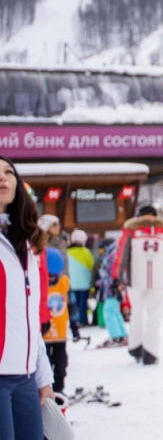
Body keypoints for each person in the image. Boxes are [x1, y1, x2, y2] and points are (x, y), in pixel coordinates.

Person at [0, 157, 54, 438]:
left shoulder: (26, 243)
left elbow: (29, 317)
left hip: (25, 378)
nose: (3, 177)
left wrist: (42, 375)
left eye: (8, 172)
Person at [110, 204, 163, 365]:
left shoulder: (131, 231)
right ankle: (151, 352)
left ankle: (136, 347)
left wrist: (117, 278)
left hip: (136, 279)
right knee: (155, 317)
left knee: (136, 313)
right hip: (158, 281)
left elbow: (122, 255)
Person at [42, 248, 69, 394]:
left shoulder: (64, 283)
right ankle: (46, 389)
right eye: (49, 276)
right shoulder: (39, 285)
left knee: (61, 362)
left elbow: (72, 304)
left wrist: (75, 326)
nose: (51, 279)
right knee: (45, 363)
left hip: (60, 333)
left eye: (54, 276)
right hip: (44, 334)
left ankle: (59, 388)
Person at [93, 238, 127, 346]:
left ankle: (116, 337)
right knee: (114, 311)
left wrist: (114, 285)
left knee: (109, 312)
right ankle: (122, 335)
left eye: (103, 250)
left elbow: (113, 274)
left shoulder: (112, 257)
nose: (101, 253)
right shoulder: (110, 257)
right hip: (112, 288)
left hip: (112, 289)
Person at [65, 229, 92, 341]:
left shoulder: (67, 252)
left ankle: (74, 321)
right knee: (82, 302)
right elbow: (91, 264)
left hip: (71, 282)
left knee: (73, 304)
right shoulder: (86, 252)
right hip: (84, 282)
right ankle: (83, 319)